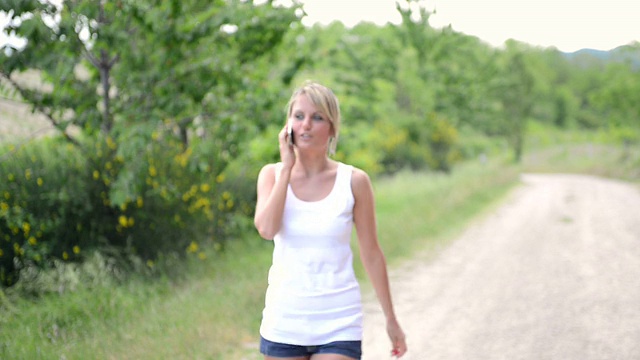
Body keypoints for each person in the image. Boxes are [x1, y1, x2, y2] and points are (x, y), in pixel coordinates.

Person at [254, 81, 407, 360]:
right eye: (299, 116)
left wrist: (390, 318)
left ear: (333, 128)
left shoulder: (355, 181)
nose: (306, 125)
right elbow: (266, 229)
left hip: (339, 319)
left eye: (317, 117)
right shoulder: (271, 175)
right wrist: (287, 168)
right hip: (285, 319)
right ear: (288, 125)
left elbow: (371, 253)